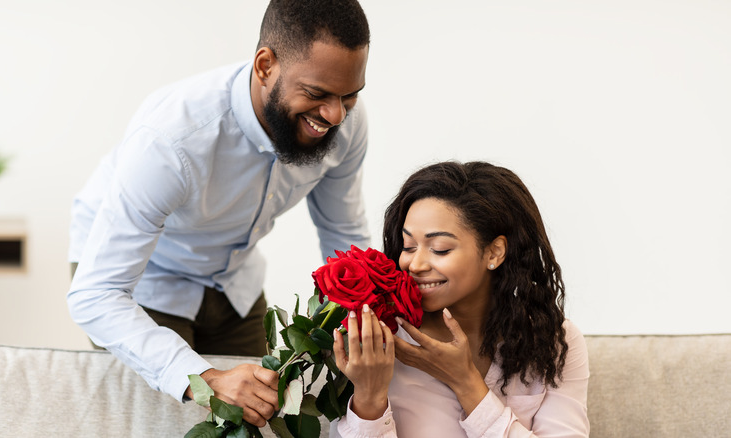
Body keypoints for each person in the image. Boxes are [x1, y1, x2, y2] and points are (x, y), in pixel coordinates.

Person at [67, 0, 371, 428]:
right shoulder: (171, 140)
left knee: (263, 415)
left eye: (349, 95)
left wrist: (370, 319)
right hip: (141, 281)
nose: (335, 115)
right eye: (317, 94)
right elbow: (96, 295)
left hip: (234, 282)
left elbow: (342, 233)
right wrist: (206, 381)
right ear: (265, 66)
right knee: (163, 425)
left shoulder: (343, 124)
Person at [332, 161, 590, 437]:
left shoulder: (554, 341)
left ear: (494, 252)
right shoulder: (375, 337)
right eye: (409, 246)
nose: (415, 265)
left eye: (440, 249)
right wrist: (369, 398)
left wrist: (465, 381)